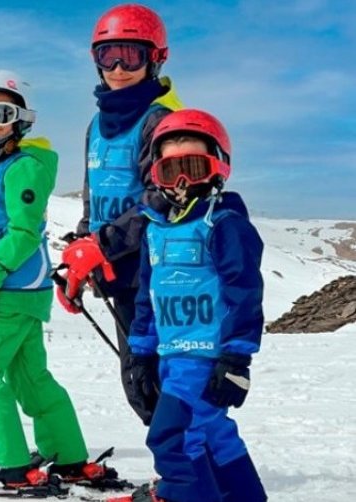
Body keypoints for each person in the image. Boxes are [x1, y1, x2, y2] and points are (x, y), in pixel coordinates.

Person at [0, 70, 115, 490]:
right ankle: (68, 454)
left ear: (21, 118)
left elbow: (23, 233)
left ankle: (5, 461)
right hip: (20, 289)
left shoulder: (23, 167)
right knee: (29, 377)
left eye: (1, 113)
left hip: (11, 288)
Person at [126, 109, 267, 502]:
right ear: (157, 175)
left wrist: (236, 358)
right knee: (211, 434)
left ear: (217, 166)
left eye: (193, 167)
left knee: (172, 436)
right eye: (171, 171)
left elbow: (244, 292)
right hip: (172, 355)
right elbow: (147, 297)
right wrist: (140, 353)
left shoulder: (224, 224)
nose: (183, 182)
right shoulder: (156, 229)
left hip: (207, 357)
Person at [57, 3, 183, 426]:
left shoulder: (159, 122)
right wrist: (80, 250)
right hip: (113, 268)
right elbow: (95, 198)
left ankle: (187, 478)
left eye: (130, 55)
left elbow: (163, 197)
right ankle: (182, 475)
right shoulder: (95, 125)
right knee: (138, 382)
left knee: (154, 380)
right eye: (106, 55)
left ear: (155, 57)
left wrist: (103, 243)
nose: (117, 67)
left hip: (149, 272)